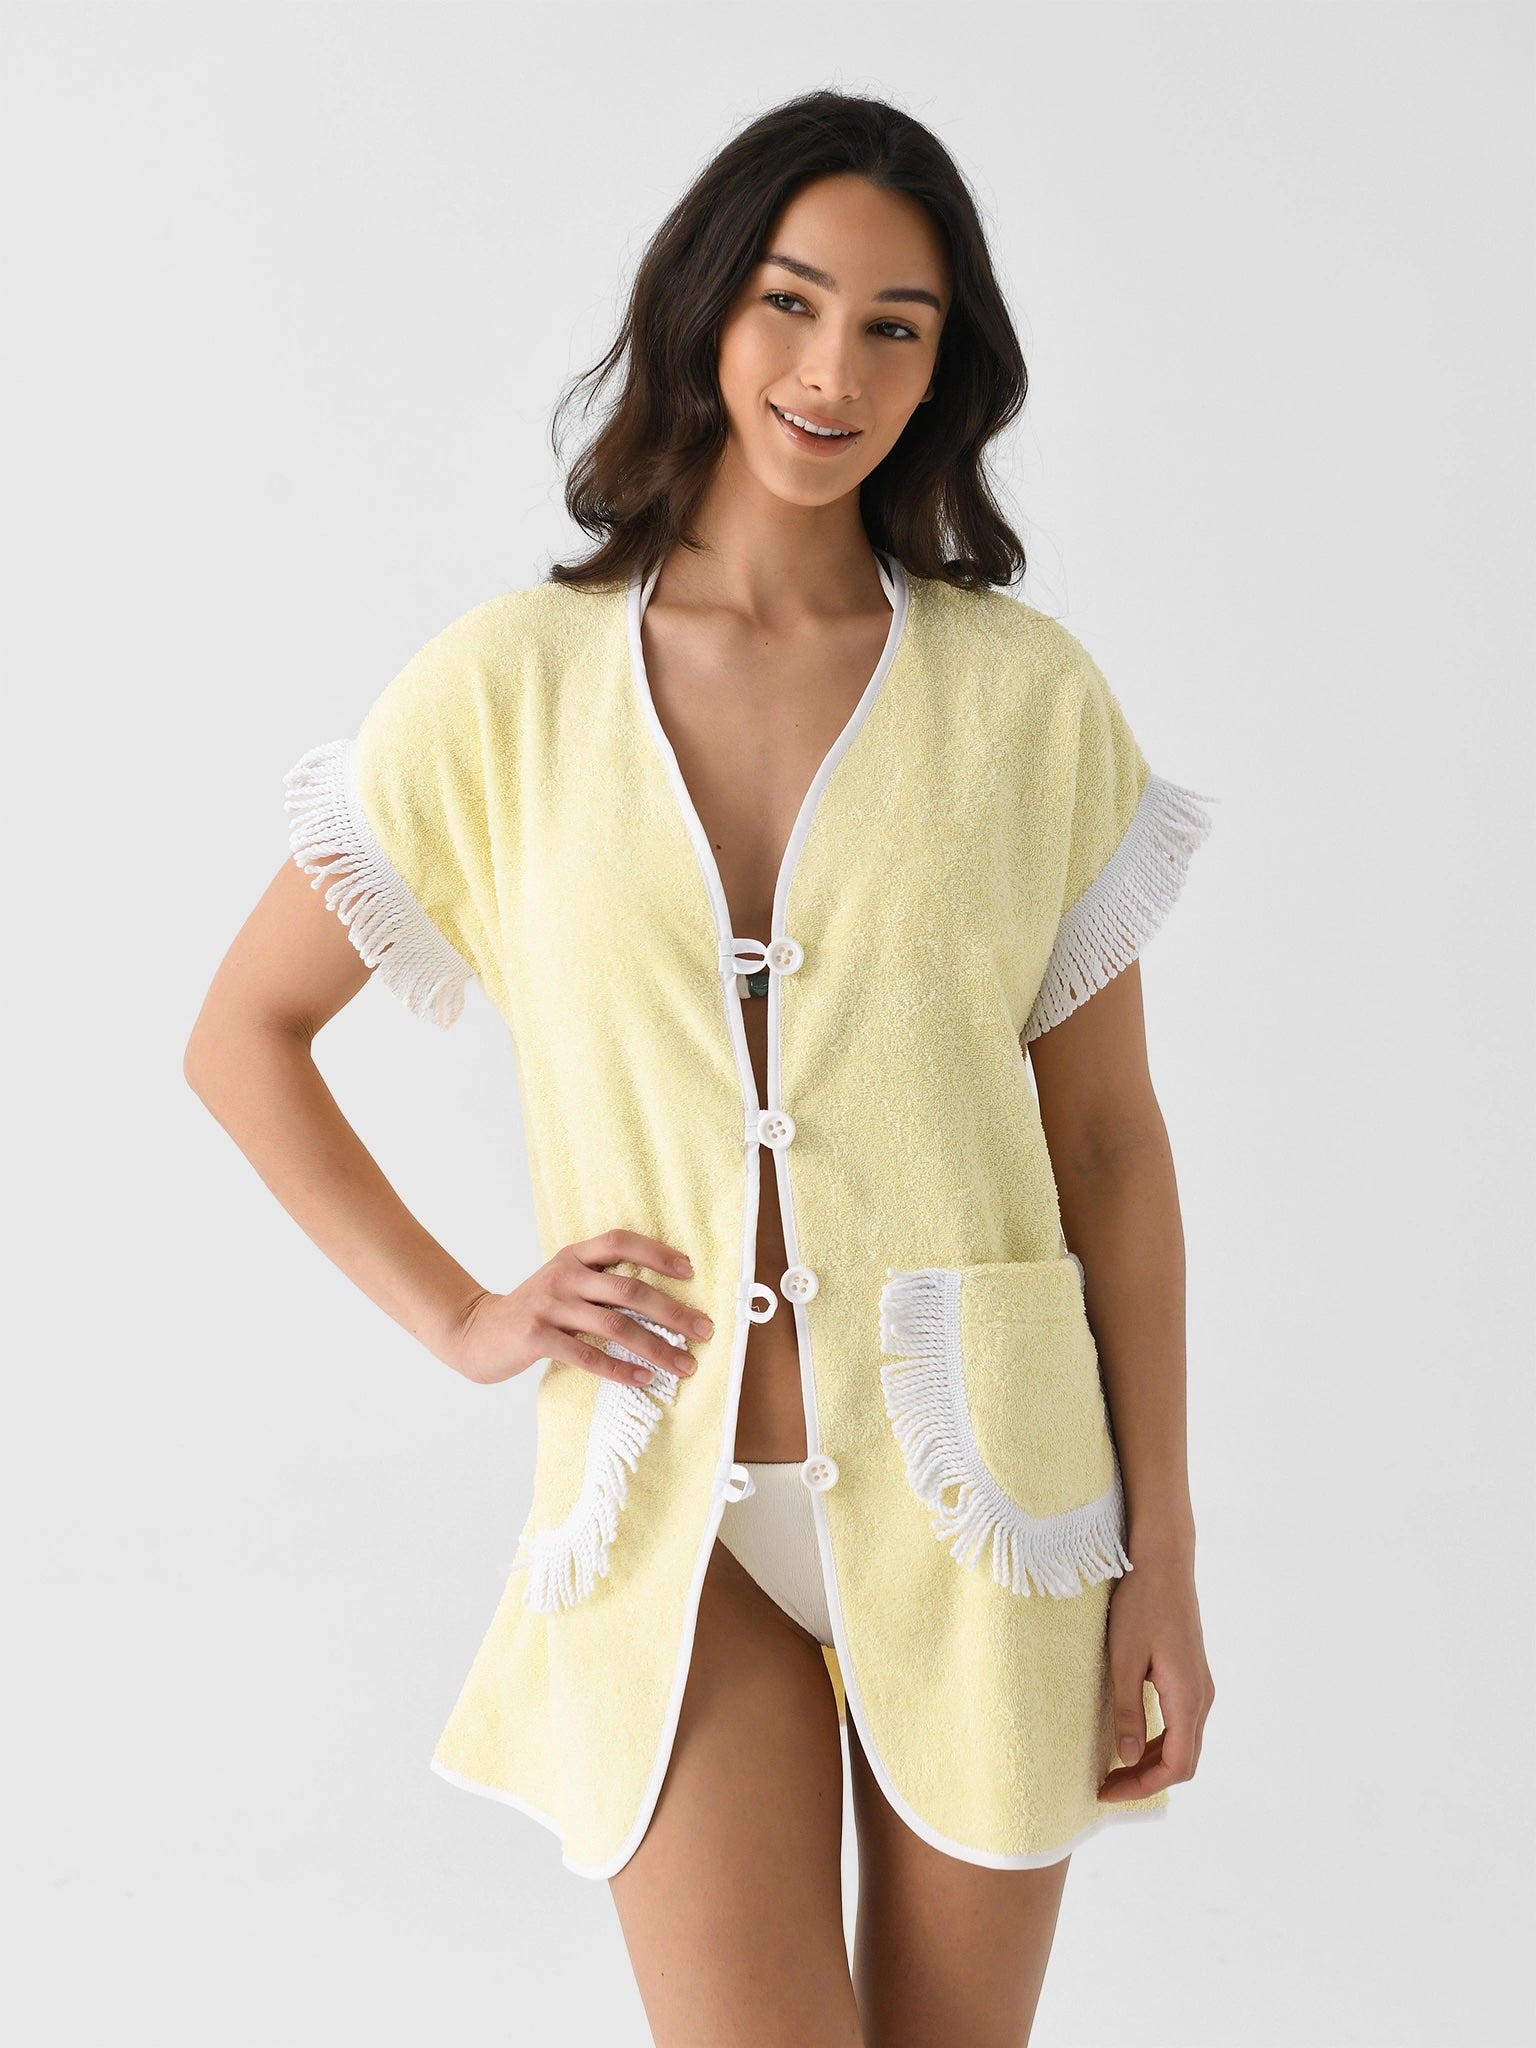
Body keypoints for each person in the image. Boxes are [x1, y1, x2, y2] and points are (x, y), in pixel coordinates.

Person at [185, 88, 1217, 2048]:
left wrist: (1163, 1555)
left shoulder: (1024, 699)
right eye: (790, 303)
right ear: (706, 308)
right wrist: (465, 1316)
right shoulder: (509, 685)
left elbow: (1111, 1149)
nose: (834, 371)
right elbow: (243, 1034)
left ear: (946, 368)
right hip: (670, 1508)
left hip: (991, 1499)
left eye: (896, 326)